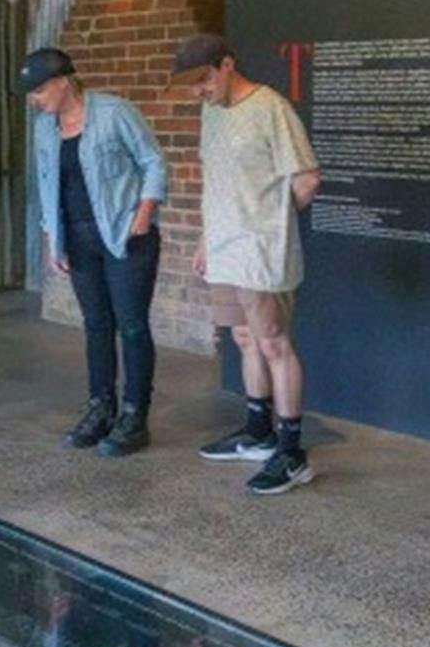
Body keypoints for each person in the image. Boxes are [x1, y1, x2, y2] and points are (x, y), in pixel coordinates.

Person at [175, 34, 323, 495]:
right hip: (223, 251)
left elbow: (307, 178)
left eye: (204, 80)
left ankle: (292, 452)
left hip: (260, 254)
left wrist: (267, 228)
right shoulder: (211, 113)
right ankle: (257, 432)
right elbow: (219, 183)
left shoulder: (271, 108)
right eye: (192, 85)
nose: (199, 91)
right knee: (243, 339)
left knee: (274, 343)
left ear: (227, 65)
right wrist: (206, 238)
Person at [25, 47, 168, 456]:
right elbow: (49, 181)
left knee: (133, 326)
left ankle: (135, 415)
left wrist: (145, 213)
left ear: (62, 81)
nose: (36, 99)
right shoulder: (44, 127)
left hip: (125, 234)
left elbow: (153, 162)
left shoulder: (114, 112)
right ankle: (100, 407)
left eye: (39, 90)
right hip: (78, 237)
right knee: (96, 325)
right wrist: (54, 235)